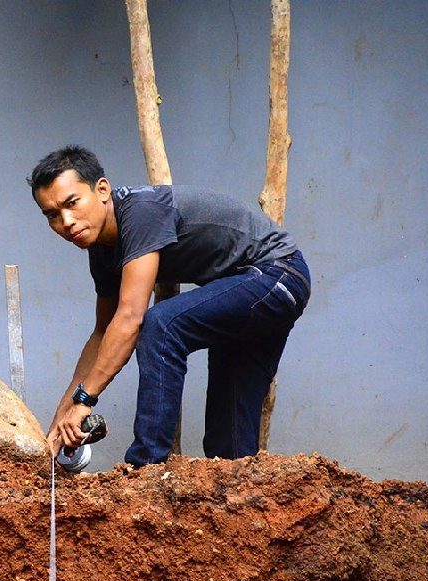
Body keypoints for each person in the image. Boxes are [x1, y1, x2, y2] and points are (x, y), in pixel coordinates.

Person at [28, 145, 310, 466]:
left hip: (277, 275)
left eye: (72, 203)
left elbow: (130, 318)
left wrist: (85, 400)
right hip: (242, 296)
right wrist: (59, 423)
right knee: (227, 446)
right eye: (52, 214)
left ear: (102, 189)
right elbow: (102, 336)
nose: (65, 220)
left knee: (161, 324)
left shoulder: (140, 211)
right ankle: (237, 499)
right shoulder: (103, 254)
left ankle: (146, 468)